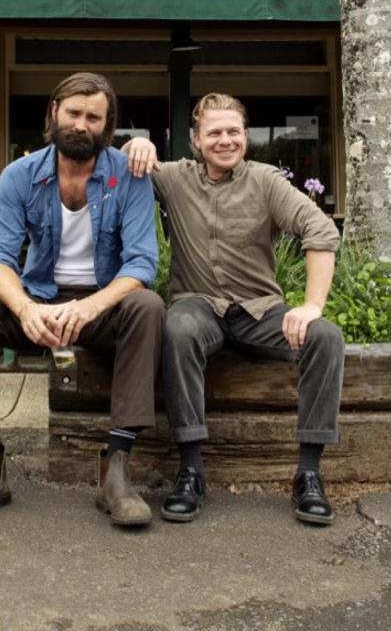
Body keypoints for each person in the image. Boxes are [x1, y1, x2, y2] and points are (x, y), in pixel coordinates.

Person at [0, 72, 163, 528]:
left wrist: (91, 306)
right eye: (74, 113)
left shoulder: (128, 176)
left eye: (93, 117)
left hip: (102, 308)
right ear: (54, 114)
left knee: (148, 307)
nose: (82, 124)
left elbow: (141, 264)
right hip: (37, 299)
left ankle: (116, 468)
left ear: (107, 123)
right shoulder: (20, 175)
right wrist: (25, 309)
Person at [126, 92, 343, 526]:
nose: (225, 140)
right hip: (198, 306)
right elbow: (124, 167)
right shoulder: (173, 178)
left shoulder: (266, 181)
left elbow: (318, 228)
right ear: (195, 140)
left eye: (234, 132)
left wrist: (312, 306)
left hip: (261, 312)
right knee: (178, 327)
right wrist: (137, 145)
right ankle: (190, 470)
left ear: (245, 136)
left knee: (326, 337)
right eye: (214, 132)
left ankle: (308, 474)